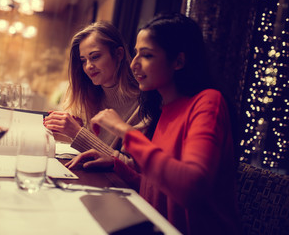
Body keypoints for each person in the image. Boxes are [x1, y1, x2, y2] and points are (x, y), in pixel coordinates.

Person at [66, 13, 241, 235]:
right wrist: (114, 163)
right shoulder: (162, 108)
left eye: (147, 55)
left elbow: (189, 189)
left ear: (178, 61)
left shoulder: (208, 102)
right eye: (136, 53)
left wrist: (124, 130)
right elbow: (156, 189)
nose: (134, 63)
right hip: (154, 224)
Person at [43, 21, 146, 166]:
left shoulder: (144, 103)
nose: (88, 66)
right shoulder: (89, 95)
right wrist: (77, 129)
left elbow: (134, 167)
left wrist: (78, 132)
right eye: (83, 60)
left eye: (95, 57)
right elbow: (97, 150)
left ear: (118, 54)